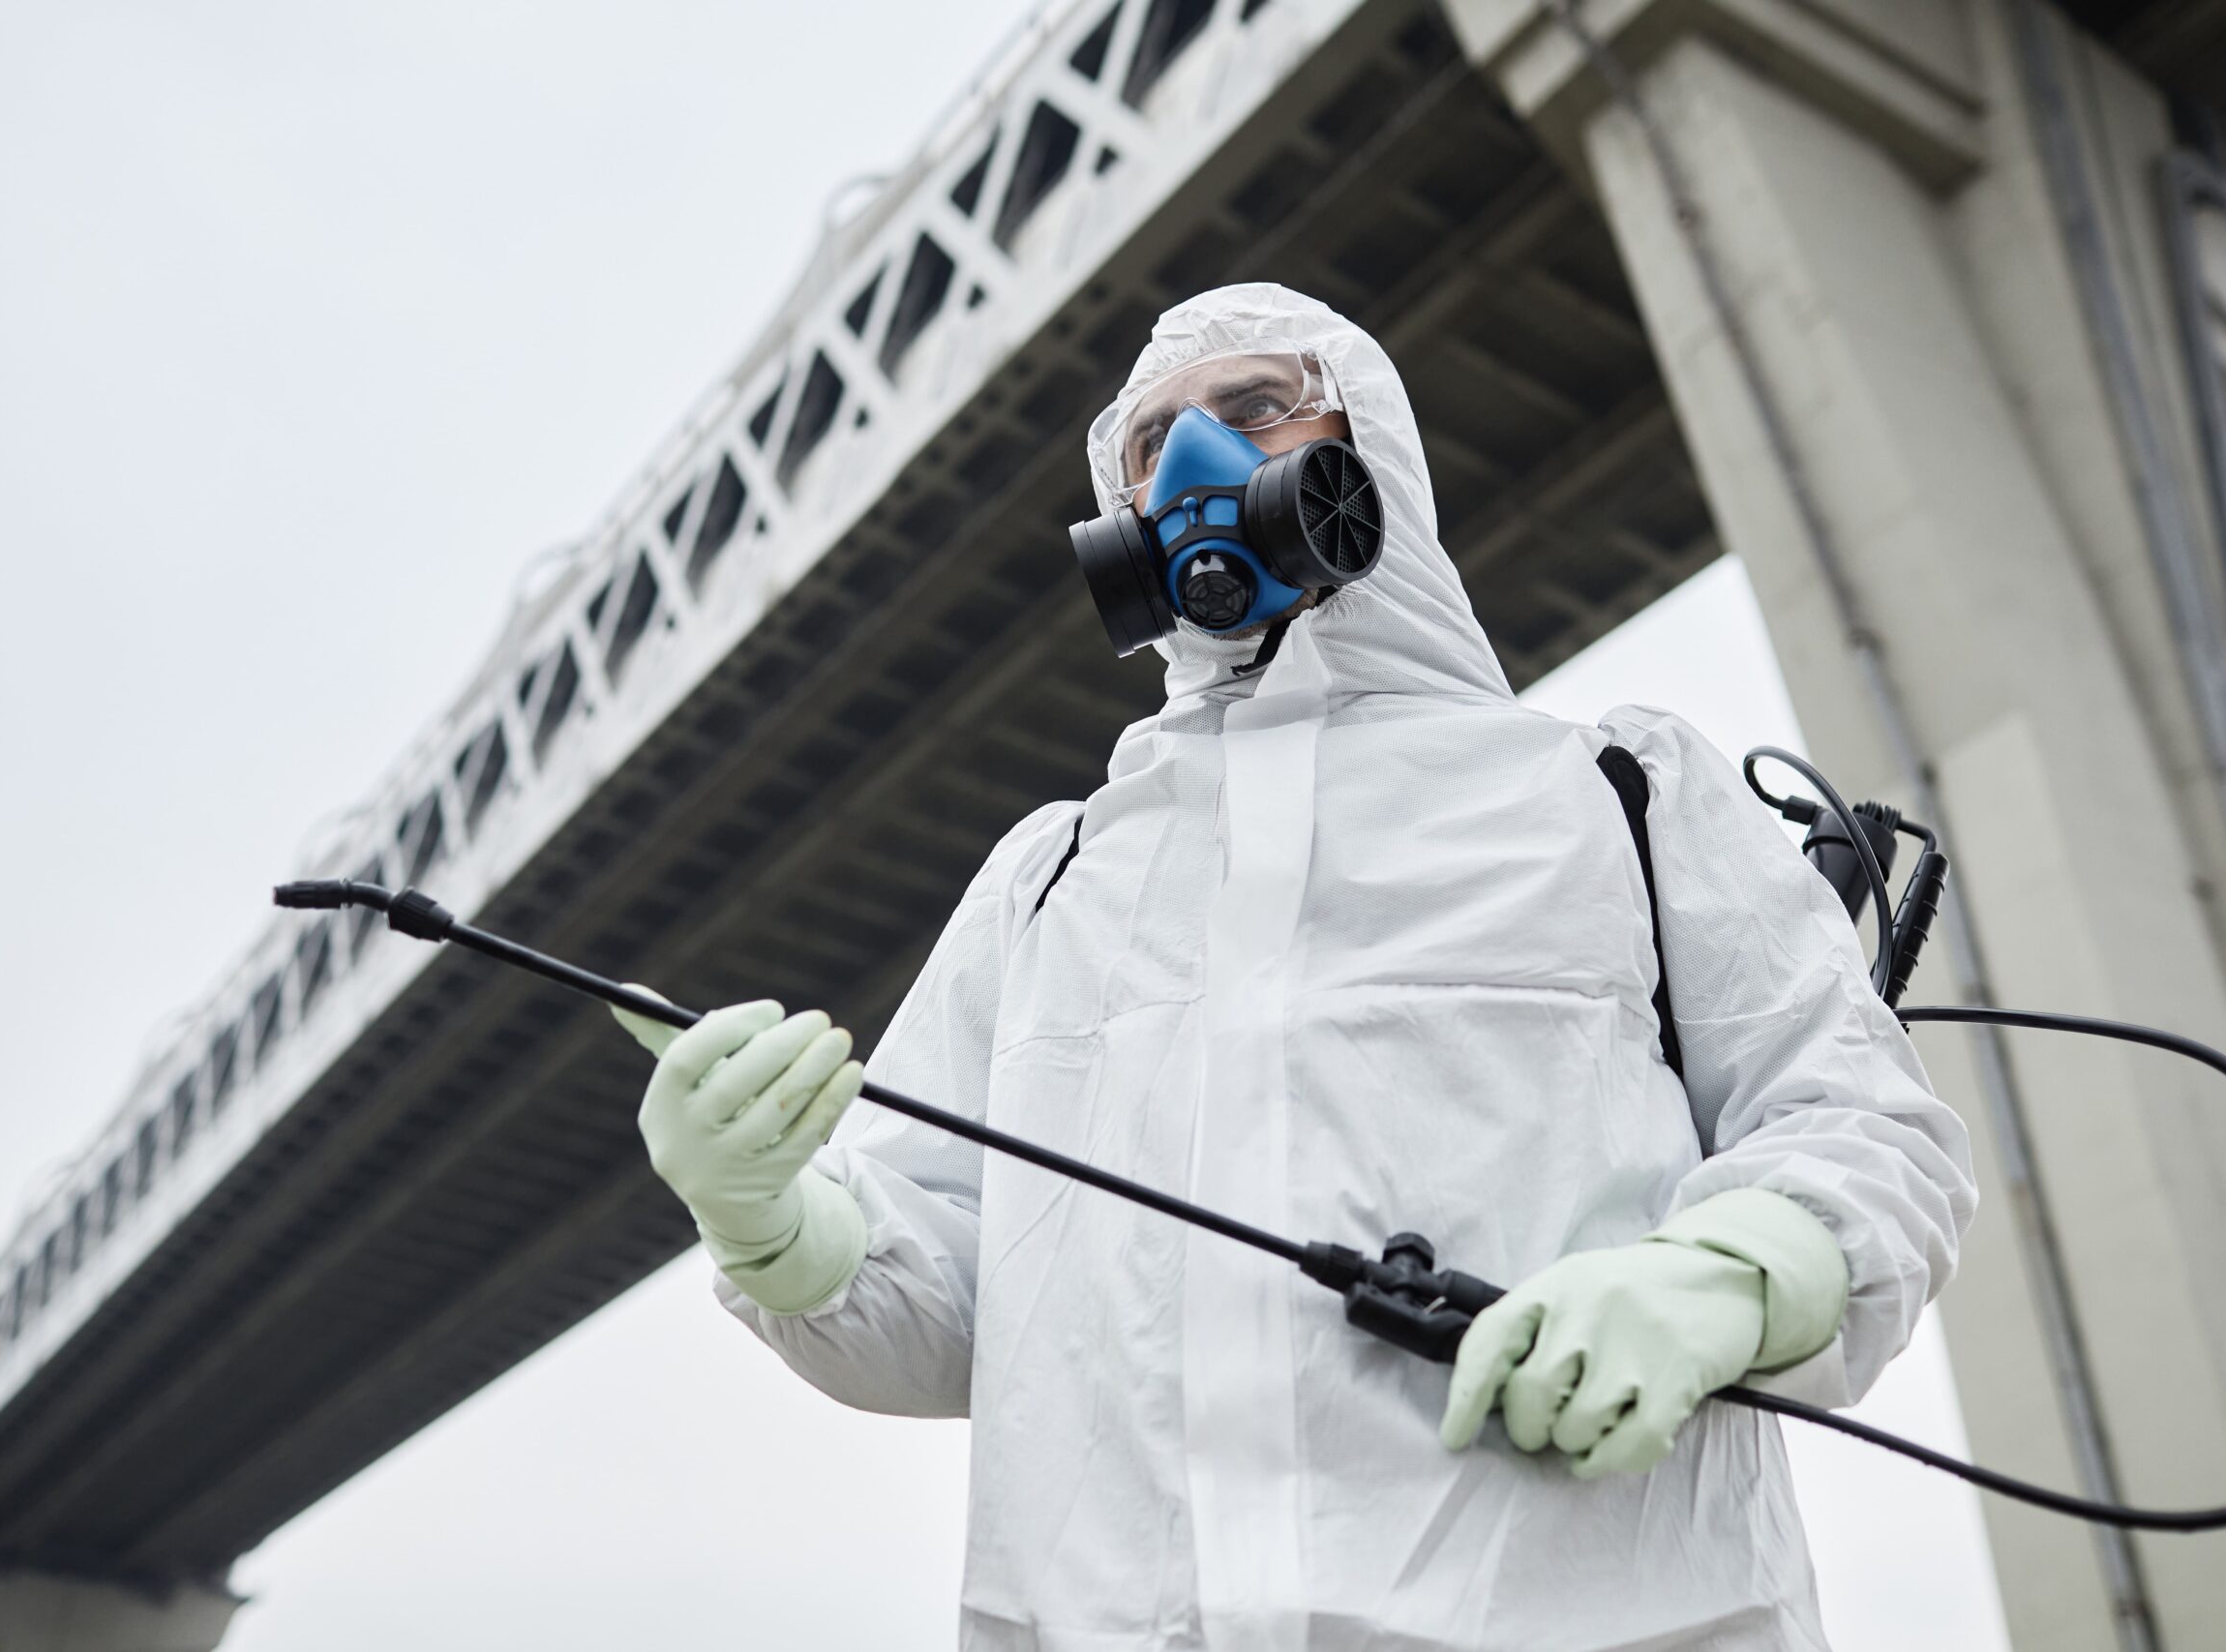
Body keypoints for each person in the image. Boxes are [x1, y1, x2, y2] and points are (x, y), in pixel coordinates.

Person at [611, 284, 1977, 1652]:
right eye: (1152, 447)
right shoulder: (1053, 881)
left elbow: (1860, 1125)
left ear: (1363, 446)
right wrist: (784, 1227)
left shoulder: (1613, 790)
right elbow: (966, 1311)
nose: (1199, 465)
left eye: (1257, 409)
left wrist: (1726, 1280)